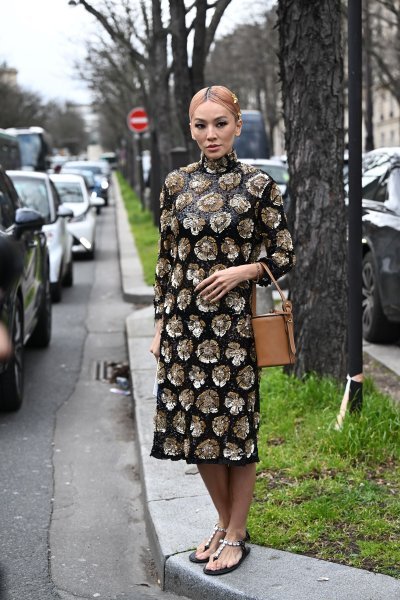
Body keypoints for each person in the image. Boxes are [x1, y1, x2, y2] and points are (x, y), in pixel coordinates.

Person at [149, 85, 296, 575]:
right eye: (200, 125)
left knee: (234, 428)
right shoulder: (176, 184)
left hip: (233, 328)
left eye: (220, 124)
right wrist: (160, 324)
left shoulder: (258, 185)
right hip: (184, 327)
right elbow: (167, 260)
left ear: (236, 126)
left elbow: (283, 251)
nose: (210, 134)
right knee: (198, 431)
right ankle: (223, 521)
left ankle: (236, 531)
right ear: (190, 129)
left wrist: (244, 271)